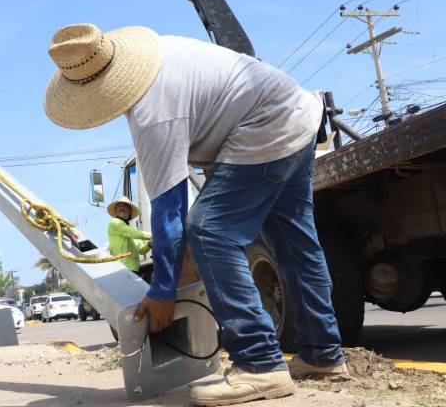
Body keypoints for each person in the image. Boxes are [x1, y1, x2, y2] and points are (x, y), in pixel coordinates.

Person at [43, 23, 347, 406]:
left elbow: (171, 212)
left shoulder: (153, 114)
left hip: (266, 124)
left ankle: (259, 364)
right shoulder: (161, 54)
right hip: (300, 114)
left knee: (209, 231)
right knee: (293, 242)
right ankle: (323, 355)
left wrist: (163, 290)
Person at [106, 196, 152, 273]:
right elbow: (135, 234)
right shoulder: (114, 222)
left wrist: (149, 245)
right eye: (119, 206)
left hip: (134, 268)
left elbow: (141, 250)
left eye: (125, 205)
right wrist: (156, 235)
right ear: (116, 211)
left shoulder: (133, 231)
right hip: (120, 267)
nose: (122, 207)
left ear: (130, 211)